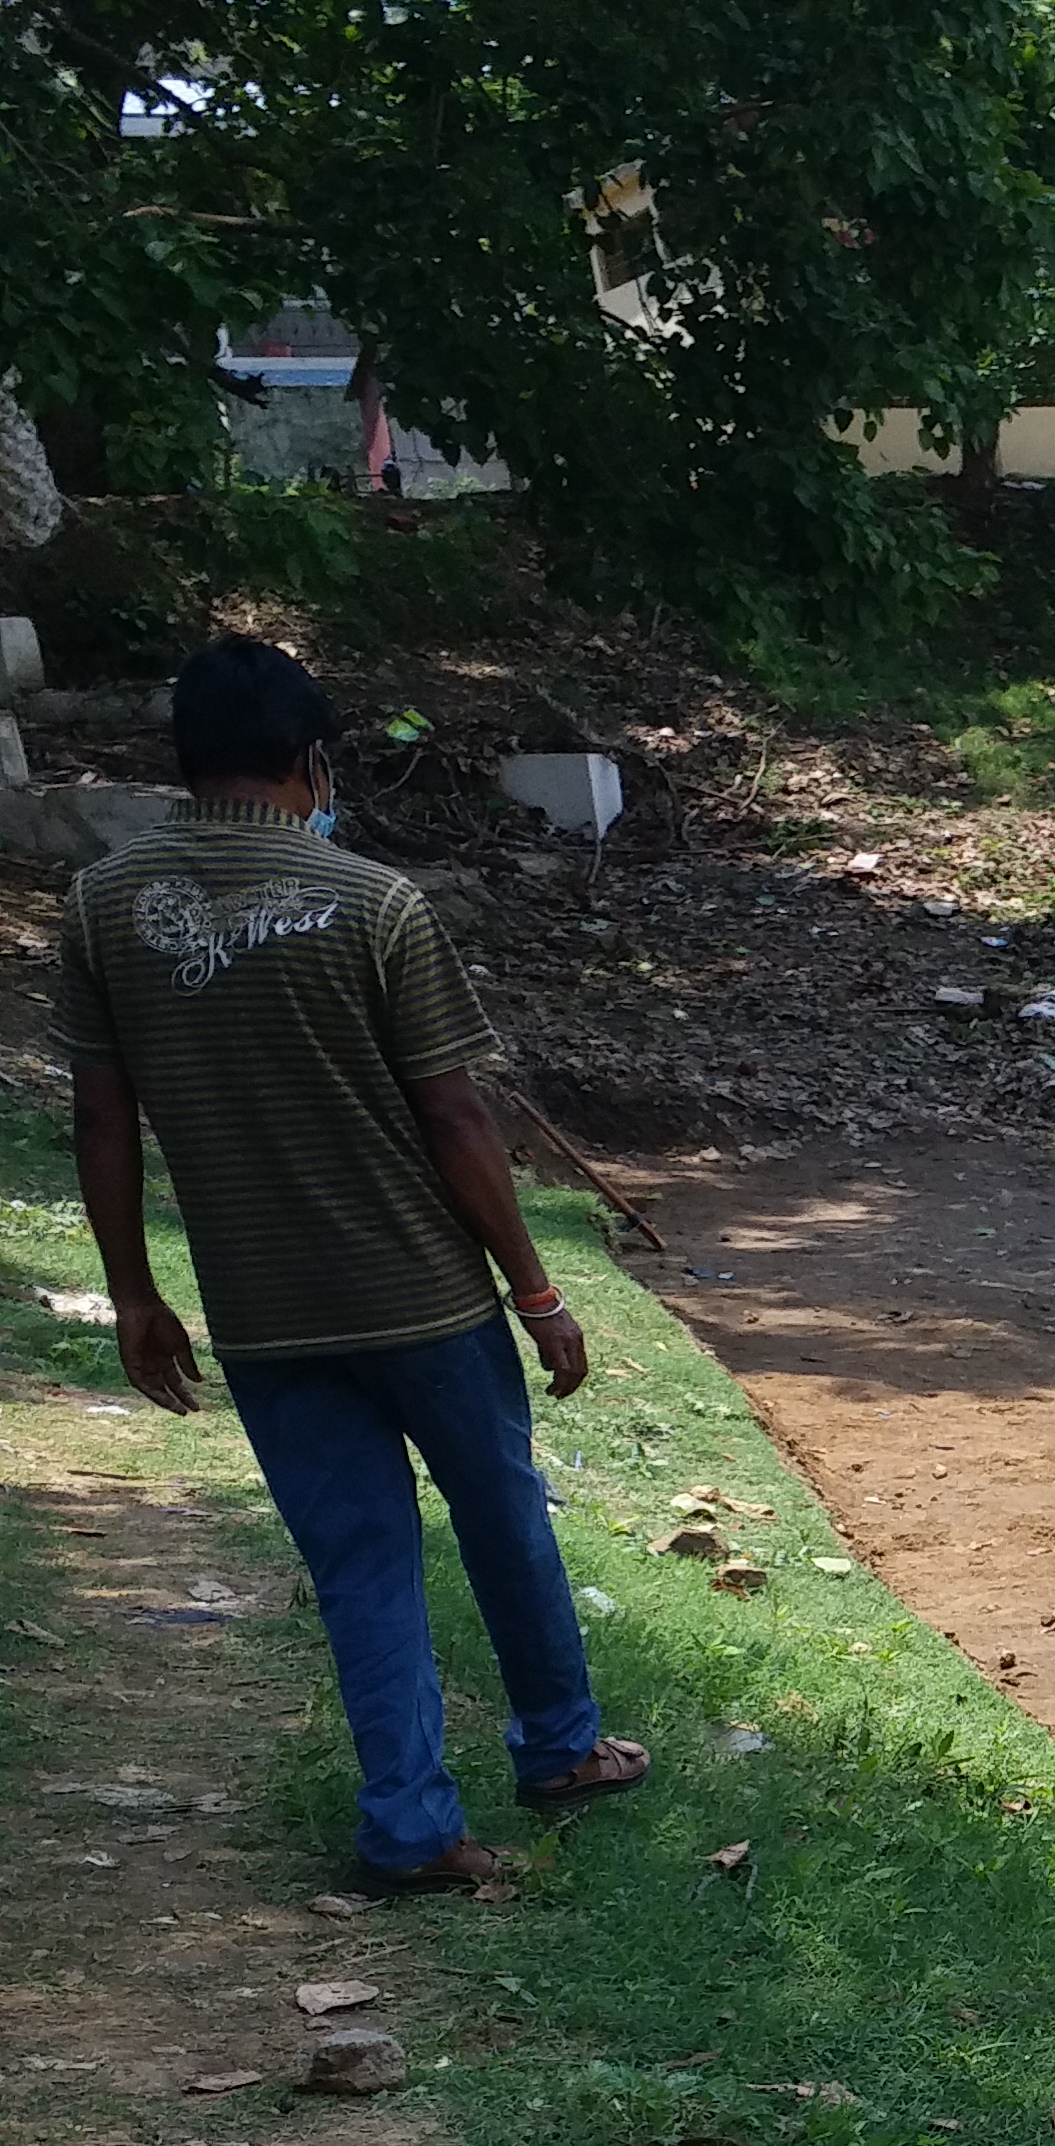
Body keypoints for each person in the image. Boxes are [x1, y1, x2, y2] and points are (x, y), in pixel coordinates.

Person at [55, 632, 646, 1892]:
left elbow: (103, 1118)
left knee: (360, 1566)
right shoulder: (377, 904)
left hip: (264, 1315)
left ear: (185, 758)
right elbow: (456, 1118)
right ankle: (561, 1750)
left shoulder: (104, 907)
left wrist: (135, 1294)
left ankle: (412, 1829)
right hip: (425, 1298)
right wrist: (537, 1297)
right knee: (502, 1525)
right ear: (313, 761)